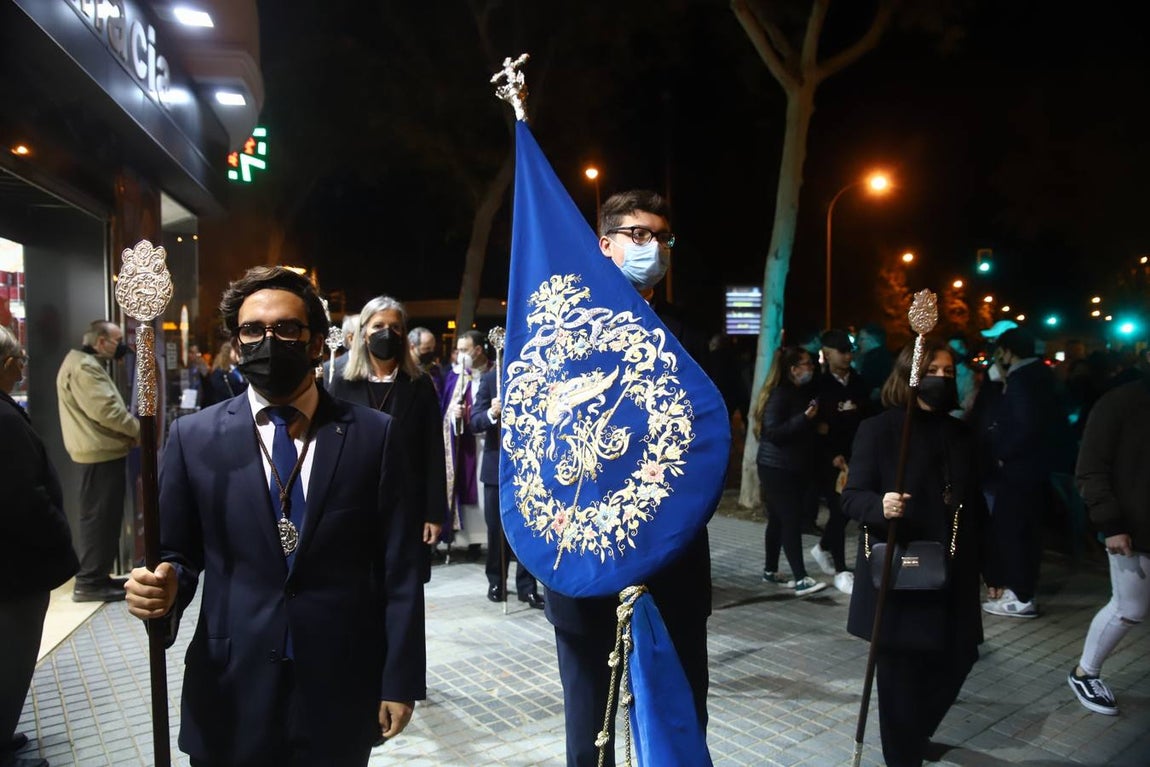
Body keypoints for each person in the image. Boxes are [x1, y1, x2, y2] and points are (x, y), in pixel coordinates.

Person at [124, 266, 425, 766]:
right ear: (237, 344)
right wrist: (167, 584)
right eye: (252, 330)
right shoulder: (194, 438)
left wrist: (400, 678)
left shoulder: (375, 435)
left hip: (339, 684)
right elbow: (178, 551)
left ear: (314, 343)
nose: (269, 340)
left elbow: (398, 569)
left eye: (286, 328)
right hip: (231, 684)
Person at [546, 190, 712, 767]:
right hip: (586, 551)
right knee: (590, 721)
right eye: (638, 235)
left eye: (662, 237)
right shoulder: (563, 330)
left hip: (674, 554)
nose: (653, 248)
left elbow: (709, 438)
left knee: (681, 710)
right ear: (605, 244)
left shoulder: (686, 335)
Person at [841, 339, 988, 767]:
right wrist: (879, 505)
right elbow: (851, 497)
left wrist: (993, 566)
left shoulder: (960, 433)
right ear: (909, 374)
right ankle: (903, 756)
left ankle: (914, 734)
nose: (941, 378)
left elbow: (974, 503)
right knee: (899, 683)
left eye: (948, 371)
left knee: (960, 657)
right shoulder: (880, 429)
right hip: (901, 573)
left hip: (953, 572)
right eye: (933, 370)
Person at [1, 327, 78, 767]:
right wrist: (59, 541)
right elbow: (22, 498)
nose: (22, 367)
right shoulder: (4, 419)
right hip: (14, 571)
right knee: (11, 656)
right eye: (18, 360)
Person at [328, 295, 446, 583]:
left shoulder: (419, 384)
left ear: (404, 334)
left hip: (407, 507)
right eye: (378, 325)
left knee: (404, 594)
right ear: (363, 332)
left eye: (395, 327)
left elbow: (433, 451)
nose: (387, 333)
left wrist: (434, 512)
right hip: (354, 507)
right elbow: (329, 450)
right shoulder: (341, 383)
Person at [1068, 348, 1150, 716]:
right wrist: (1112, 524)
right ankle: (1086, 672)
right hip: (1134, 528)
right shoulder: (1120, 402)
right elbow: (1090, 469)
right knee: (1129, 607)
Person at [982, 327, 1069, 619]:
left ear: (1008, 351)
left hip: (1020, 470)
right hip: (1037, 468)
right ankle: (1021, 591)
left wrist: (1003, 454)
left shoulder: (1021, 380)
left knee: (1014, 531)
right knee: (1025, 531)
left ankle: (1020, 595)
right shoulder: (1043, 375)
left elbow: (1023, 425)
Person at [55, 320, 139, 602]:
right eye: (117, 339)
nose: (122, 346)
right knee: (100, 518)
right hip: (100, 454)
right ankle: (91, 581)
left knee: (103, 517)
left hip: (100, 452)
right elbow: (108, 412)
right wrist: (140, 431)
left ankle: (98, 576)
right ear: (101, 341)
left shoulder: (82, 363)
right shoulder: (85, 367)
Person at [753, 344, 827, 597]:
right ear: (793, 369)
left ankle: (771, 571)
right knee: (790, 519)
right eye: (807, 364)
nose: (811, 368)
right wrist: (804, 419)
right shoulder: (781, 394)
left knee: (777, 518)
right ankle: (801, 577)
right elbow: (771, 432)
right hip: (777, 467)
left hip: (787, 466)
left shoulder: (798, 392)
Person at [471, 367, 542, 607]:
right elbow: (474, 421)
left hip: (528, 466)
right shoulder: (491, 378)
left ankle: (527, 586)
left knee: (529, 528)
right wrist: (492, 412)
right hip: (496, 467)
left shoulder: (535, 372)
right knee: (496, 529)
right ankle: (496, 581)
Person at [810, 328, 869, 594]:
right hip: (828, 459)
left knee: (847, 512)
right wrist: (830, 451)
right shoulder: (819, 385)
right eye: (841, 352)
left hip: (856, 454)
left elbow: (866, 416)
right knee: (839, 509)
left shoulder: (858, 381)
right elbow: (817, 427)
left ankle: (822, 547)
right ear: (827, 354)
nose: (846, 356)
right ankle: (842, 570)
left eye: (849, 351)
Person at [440, 330, 491, 557]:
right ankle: (472, 540)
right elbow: (446, 409)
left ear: (477, 350)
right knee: (469, 486)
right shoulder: (455, 376)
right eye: (458, 350)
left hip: (489, 443)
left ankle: (494, 537)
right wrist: (454, 414)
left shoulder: (494, 371)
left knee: (486, 492)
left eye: (464, 350)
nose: (459, 355)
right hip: (467, 443)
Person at [200, 341, 247, 407]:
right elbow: (221, 393)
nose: (239, 353)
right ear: (228, 353)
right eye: (235, 351)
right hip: (227, 406)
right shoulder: (219, 372)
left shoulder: (237, 368)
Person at [856, 323, 894, 406]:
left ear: (872, 339)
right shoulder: (886, 356)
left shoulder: (873, 359)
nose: (858, 343)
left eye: (862, 339)